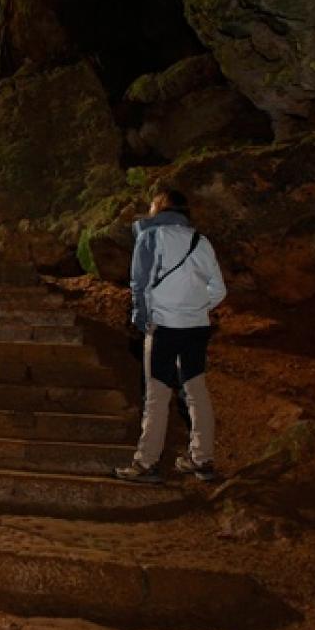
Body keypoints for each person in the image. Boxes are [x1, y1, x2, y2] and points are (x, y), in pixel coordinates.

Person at [112, 187, 227, 484]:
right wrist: (197, 307)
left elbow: (140, 284)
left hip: (164, 326)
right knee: (196, 390)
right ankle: (202, 459)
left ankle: (147, 462)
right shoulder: (201, 241)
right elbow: (219, 289)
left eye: (152, 203)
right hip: (196, 327)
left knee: (157, 395)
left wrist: (142, 319)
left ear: (161, 206)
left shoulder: (151, 237)